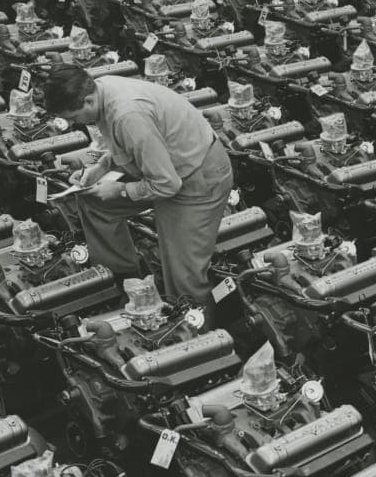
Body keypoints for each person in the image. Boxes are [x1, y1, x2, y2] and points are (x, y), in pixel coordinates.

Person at [42, 63, 234, 311]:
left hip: (197, 180)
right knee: (95, 201)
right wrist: (99, 168)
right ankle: (124, 281)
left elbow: (166, 184)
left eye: (73, 117)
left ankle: (200, 339)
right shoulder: (103, 88)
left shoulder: (127, 115)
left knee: (184, 278)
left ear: (88, 100)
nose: (74, 123)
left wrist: (120, 191)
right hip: (166, 168)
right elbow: (128, 145)